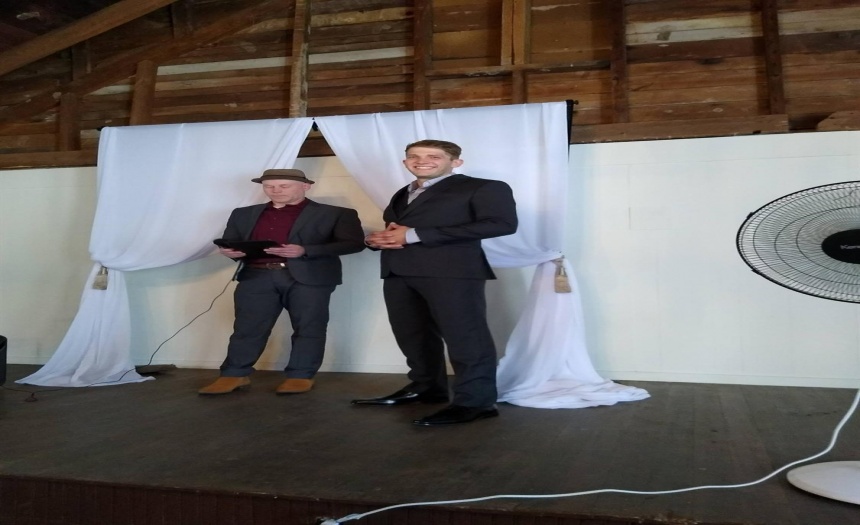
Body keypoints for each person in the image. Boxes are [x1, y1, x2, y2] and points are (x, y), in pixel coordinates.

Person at [351, 140, 518, 426]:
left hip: (452, 273)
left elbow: (502, 224)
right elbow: (399, 230)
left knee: (466, 338)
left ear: (455, 162)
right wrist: (377, 240)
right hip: (398, 271)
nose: (422, 160)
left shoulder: (484, 187)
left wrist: (414, 235)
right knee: (413, 336)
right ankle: (427, 388)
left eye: (433, 156)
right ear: (405, 162)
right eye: (414, 156)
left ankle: (476, 402)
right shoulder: (404, 192)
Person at [199, 169, 365, 395]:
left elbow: (354, 243)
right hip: (256, 275)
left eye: (283, 186)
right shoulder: (243, 213)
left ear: (306, 186)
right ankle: (234, 374)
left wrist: (305, 250)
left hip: (309, 277)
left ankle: (300, 376)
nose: (275, 190)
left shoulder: (336, 213)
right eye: (269, 186)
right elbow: (231, 241)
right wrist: (231, 252)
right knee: (247, 327)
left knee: (309, 327)